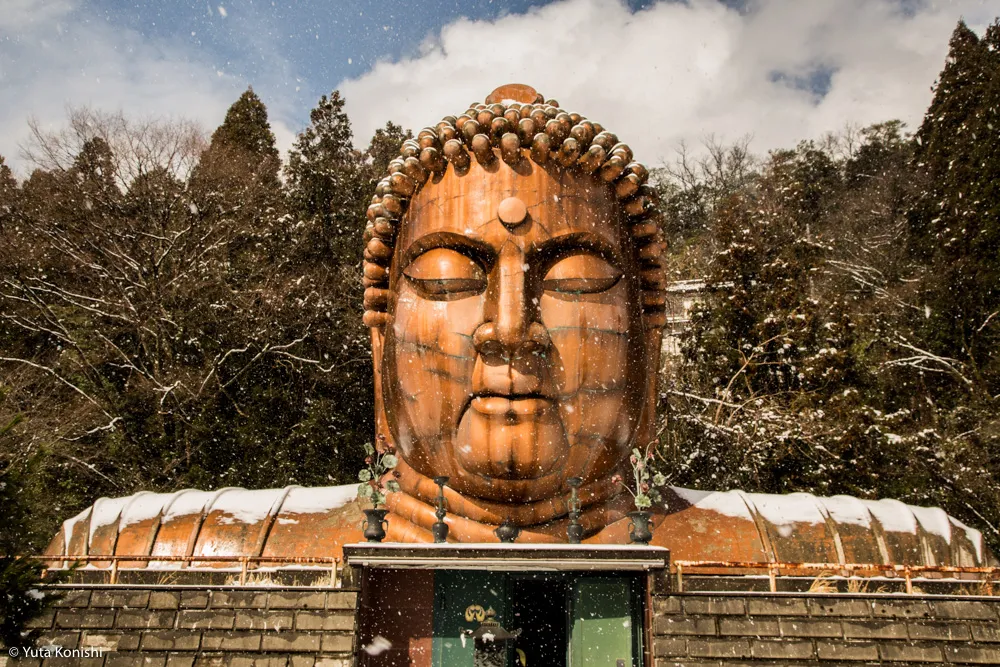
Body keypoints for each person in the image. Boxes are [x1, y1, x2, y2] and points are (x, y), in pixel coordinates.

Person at [45, 85, 994, 568]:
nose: (512, 329)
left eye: (574, 277)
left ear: (648, 352)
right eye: (453, 275)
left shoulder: (860, 552)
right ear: (380, 343)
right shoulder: (157, 541)